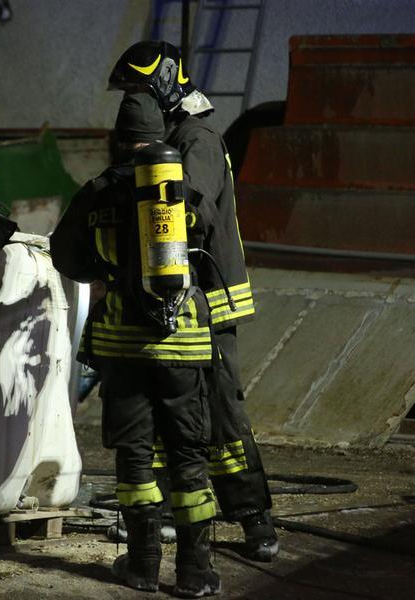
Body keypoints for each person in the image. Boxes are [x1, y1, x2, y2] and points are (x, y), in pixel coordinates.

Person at [108, 40, 279, 562]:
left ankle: (255, 521)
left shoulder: (196, 139)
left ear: (163, 84)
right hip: (181, 304)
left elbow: (192, 213)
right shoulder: (170, 137)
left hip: (211, 300)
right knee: (172, 416)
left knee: (222, 415)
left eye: (139, 90)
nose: (133, 102)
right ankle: (164, 516)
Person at [51, 93, 221, 597]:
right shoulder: (182, 190)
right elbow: (210, 247)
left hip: (122, 348)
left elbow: (65, 254)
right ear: (161, 138)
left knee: (135, 456)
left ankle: (143, 566)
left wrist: (106, 274)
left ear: (118, 140)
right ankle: (194, 573)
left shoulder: (97, 191)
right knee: (188, 456)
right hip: (183, 346)